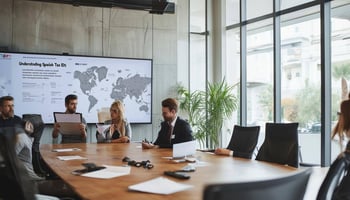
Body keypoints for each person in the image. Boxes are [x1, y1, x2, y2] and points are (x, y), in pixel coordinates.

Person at [0, 96, 43, 181]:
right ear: (1, 108)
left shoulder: (18, 120)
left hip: (16, 149)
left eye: (12, 105)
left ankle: (30, 176)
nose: (11, 108)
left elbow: (25, 140)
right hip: (5, 147)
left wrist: (28, 132)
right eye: (8, 106)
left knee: (22, 137)